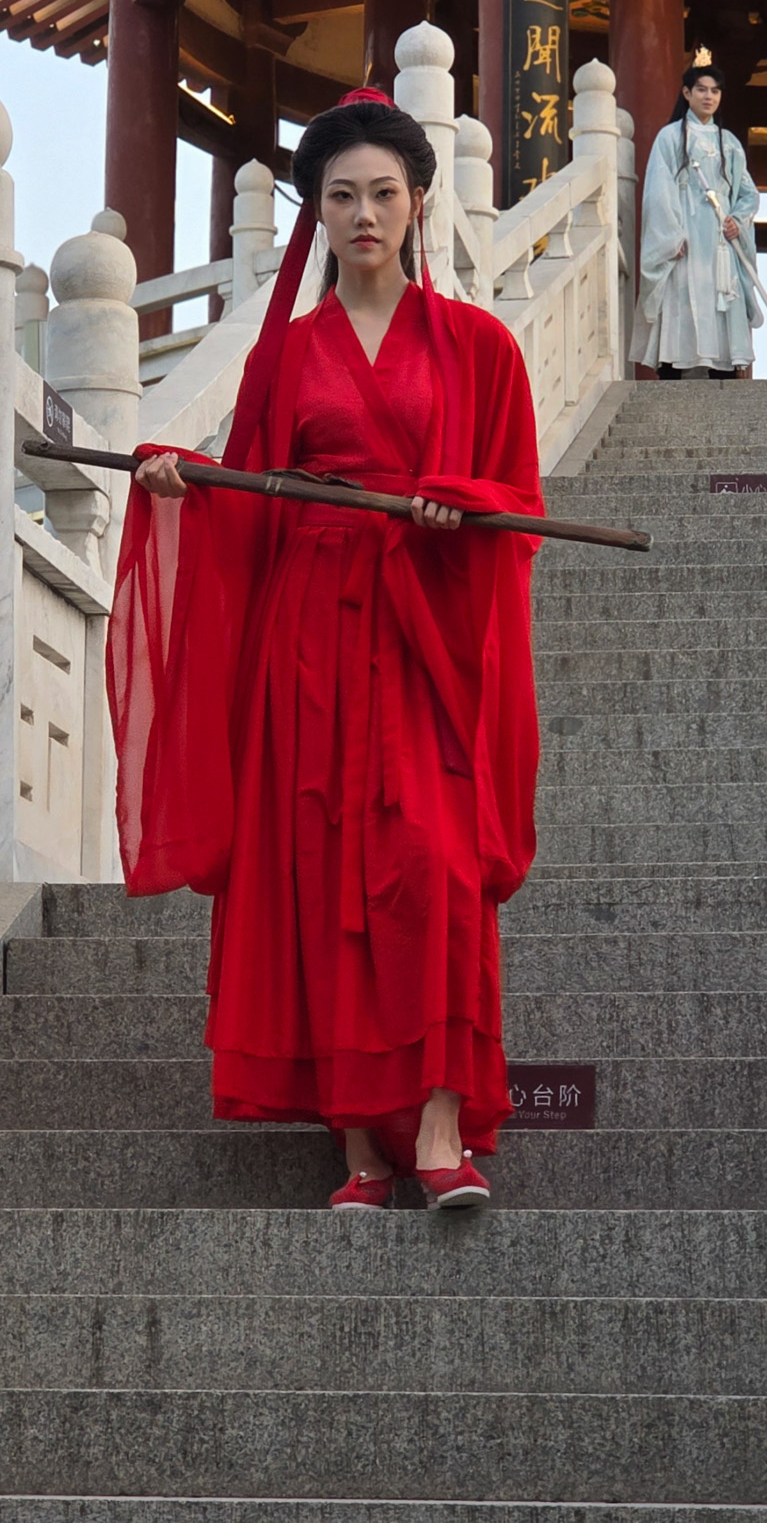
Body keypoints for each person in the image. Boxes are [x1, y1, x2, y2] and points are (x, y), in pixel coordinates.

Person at [109, 90, 545, 1212]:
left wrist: (458, 506)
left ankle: (440, 1126)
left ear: (417, 203)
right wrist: (183, 483)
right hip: (306, 638)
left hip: (426, 633)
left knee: (435, 865)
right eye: (342, 196)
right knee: (320, 863)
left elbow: (518, 500)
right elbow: (254, 498)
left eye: (384, 194)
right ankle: (360, 1148)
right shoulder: (285, 357)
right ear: (316, 211)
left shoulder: (481, 348)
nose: (364, 215)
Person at [632, 59, 765, 379]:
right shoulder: (670, 137)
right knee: (681, 300)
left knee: (722, 299)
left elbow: (749, 193)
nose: (709, 96)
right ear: (686, 93)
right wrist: (669, 237)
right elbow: (658, 191)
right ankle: (671, 370)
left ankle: (723, 373)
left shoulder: (728, 142)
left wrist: (737, 220)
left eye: (715, 91)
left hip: (719, 241)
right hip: (685, 238)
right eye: (702, 90)